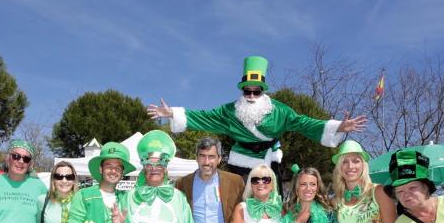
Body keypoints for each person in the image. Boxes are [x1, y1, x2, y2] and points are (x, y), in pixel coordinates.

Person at [147, 56, 366, 181]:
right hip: (240, 164)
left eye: (256, 91)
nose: (251, 96)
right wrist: (172, 114)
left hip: (270, 161)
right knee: (239, 203)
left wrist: (338, 126)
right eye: (247, 92)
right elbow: (204, 117)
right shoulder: (229, 111)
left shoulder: (279, 110)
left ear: (263, 91)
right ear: (242, 91)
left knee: (272, 200)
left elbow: (303, 122)